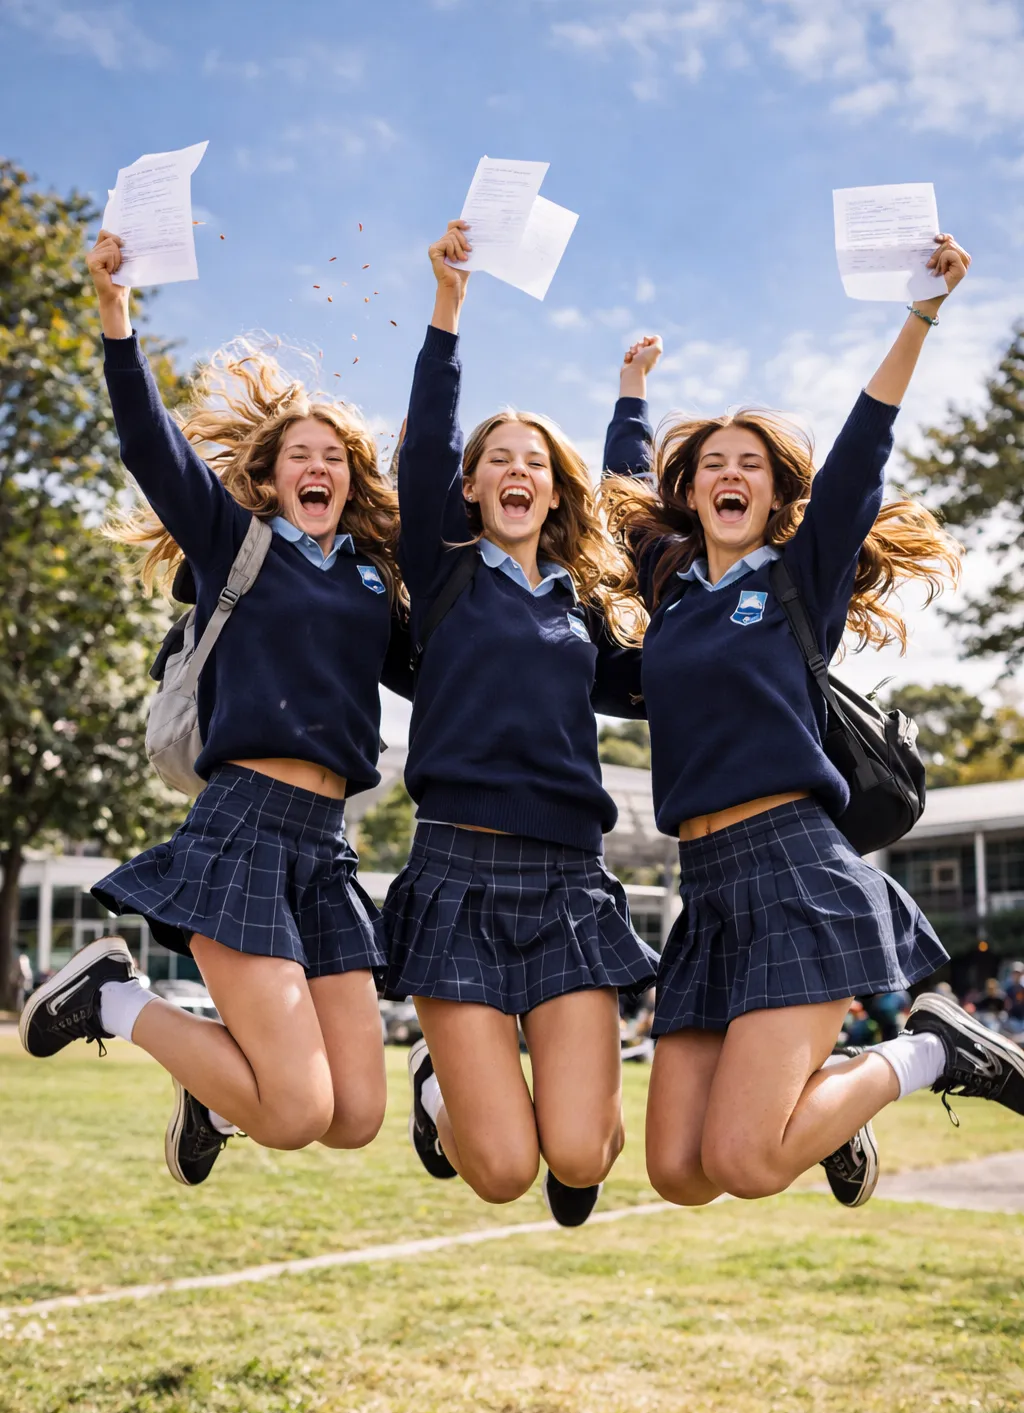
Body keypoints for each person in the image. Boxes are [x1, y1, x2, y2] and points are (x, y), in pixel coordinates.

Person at [603, 233, 1024, 1212]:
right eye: (713, 464)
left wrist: (919, 315)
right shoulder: (673, 589)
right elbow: (625, 494)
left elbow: (863, 447)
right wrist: (631, 391)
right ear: (691, 490)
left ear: (775, 491)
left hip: (795, 870)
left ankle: (932, 1049)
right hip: (705, 885)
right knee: (679, 1174)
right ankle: (834, 1103)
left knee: (749, 1164)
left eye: (750, 464)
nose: (730, 474)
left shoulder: (799, 577)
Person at [19, 228, 407, 1187]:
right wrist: (115, 315)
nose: (318, 467)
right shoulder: (238, 542)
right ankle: (113, 998)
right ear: (271, 479)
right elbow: (150, 448)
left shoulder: (371, 581)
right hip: (244, 828)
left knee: (356, 1117)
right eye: (299, 455)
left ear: (350, 479)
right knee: (297, 1113)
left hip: (327, 848)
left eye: (334, 457)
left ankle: (212, 1088)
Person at [387, 219, 658, 1228]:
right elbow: (424, 439)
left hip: (568, 880)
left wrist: (630, 400)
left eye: (533, 461)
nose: (516, 469)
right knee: (501, 1171)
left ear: (551, 489)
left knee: (582, 1155)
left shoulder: (580, 606)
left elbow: (631, 515)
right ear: (470, 488)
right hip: (456, 871)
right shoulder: (445, 575)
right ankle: (437, 1089)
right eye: (496, 459)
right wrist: (448, 306)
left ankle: (537, 1117)